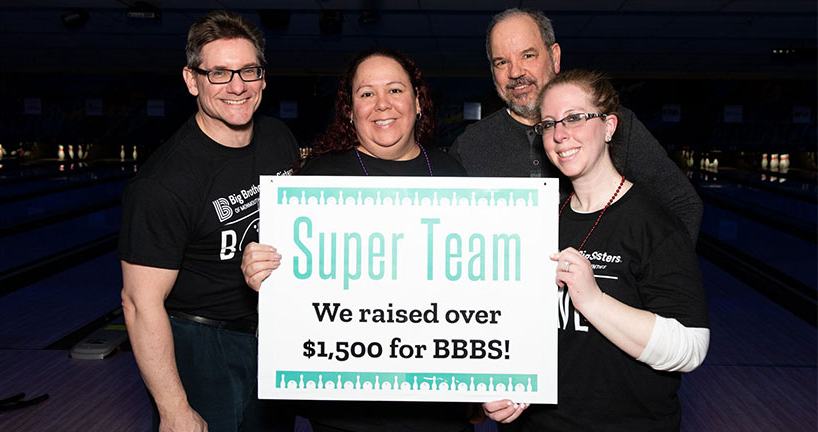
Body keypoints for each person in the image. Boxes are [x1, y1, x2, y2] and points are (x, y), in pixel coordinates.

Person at [241, 47, 474, 432]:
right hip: (347, 413)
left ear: (418, 102)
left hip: (437, 407)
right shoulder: (319, 179)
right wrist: (262, 271)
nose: (382, 105)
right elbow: (288, 284)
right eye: (366, 93)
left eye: (395, 90)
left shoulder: (451, 172)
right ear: (350, 110)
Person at [482, 69, 710, 431]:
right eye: (548, 124)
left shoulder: (654, 225)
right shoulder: (539, 222)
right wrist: (508, 385)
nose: (560, 134)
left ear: (608, 126)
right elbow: (518, 329)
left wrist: (593, 300)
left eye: (575, 118)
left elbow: (690, 348)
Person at [118, 10, 300, 432]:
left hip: (270, 337)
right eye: (219, 73)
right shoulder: (164, 182)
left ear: (263, 77)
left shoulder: (278, 138)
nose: (237, 86)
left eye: (248, 71)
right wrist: (174, 408)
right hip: (203, 345)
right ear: (191, 79)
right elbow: (139, 304)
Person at [449, 8, 703, 242]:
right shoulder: (469, 146)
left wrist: (656, 282)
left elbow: (683, 204)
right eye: (501, 62)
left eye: (528, 55)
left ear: (554, 56)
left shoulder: (606, 124)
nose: (515, 72)